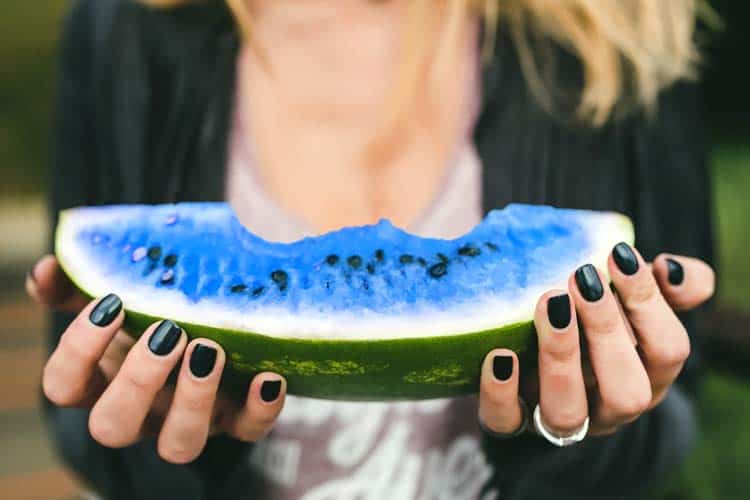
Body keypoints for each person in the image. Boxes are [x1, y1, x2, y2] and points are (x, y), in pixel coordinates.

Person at [26, 0, 716, 498]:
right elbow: (78, 409)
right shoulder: (125, 31)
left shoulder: (620, 31)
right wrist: (170, 452)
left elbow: (673, 406)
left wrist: (567, 432)